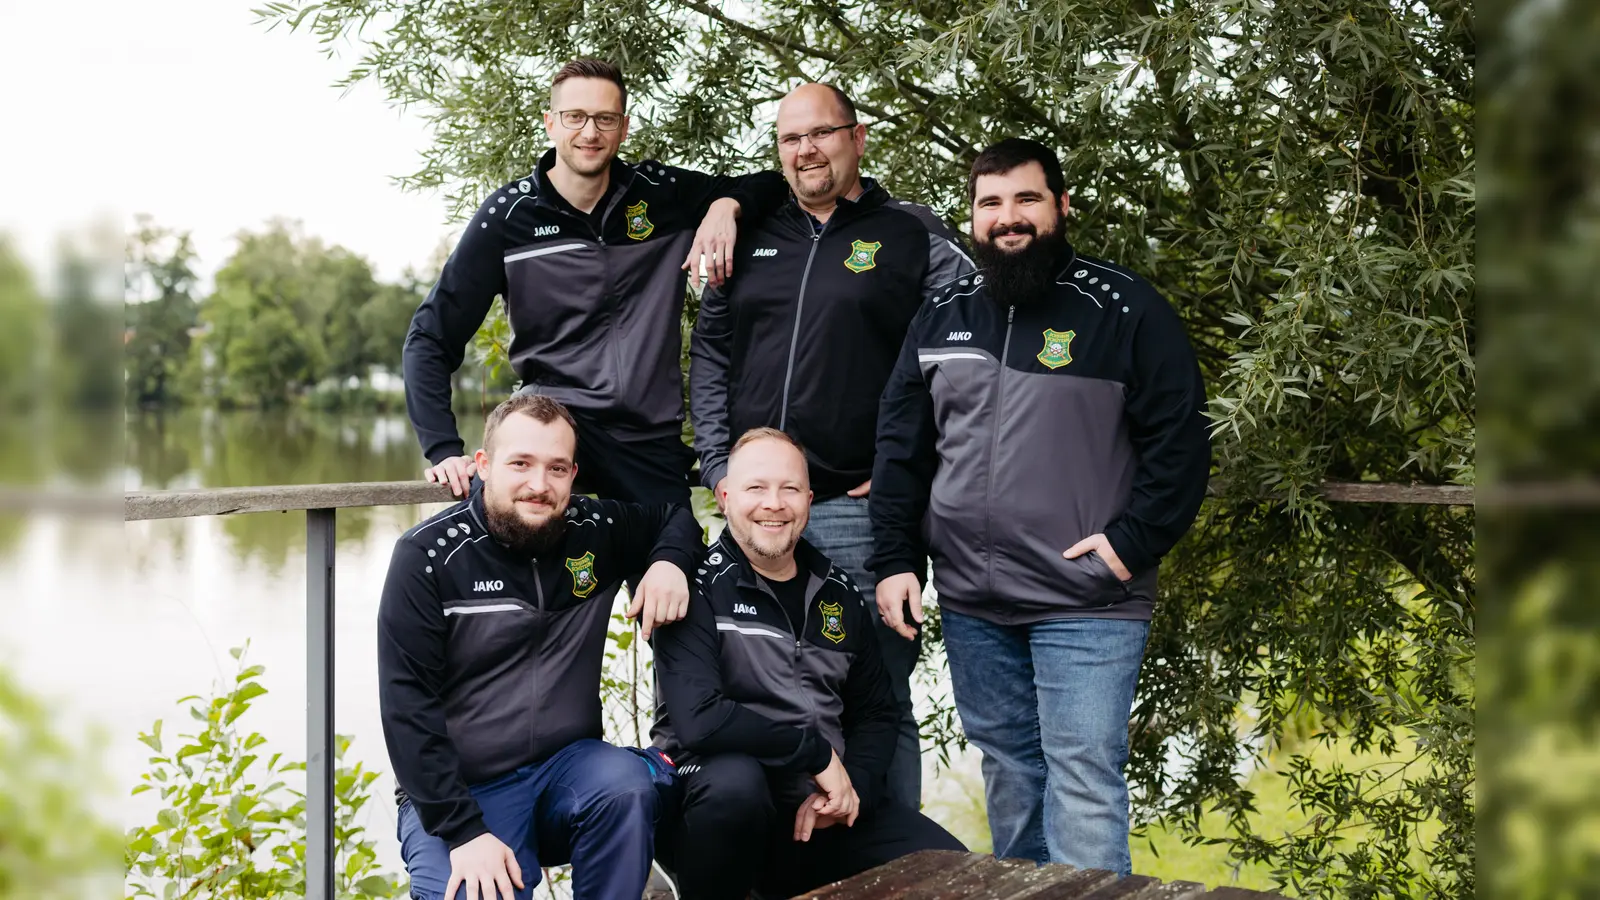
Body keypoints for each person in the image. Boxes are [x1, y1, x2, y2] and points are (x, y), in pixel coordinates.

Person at [869, 138, 1211, 873]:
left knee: (1083, 779)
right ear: (972, 217)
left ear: (1062, 205)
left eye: (1026, 198)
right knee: (1012, 774)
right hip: (973, 601)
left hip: (1086, 600)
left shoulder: (1124, 308)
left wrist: (1129, 543)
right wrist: (896, 559)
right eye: (990, 203)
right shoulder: (941, 314)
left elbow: (1181, 441)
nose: (1008, 217)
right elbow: (901, 448)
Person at [688, 83, 973, 808]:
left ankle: (896, 857)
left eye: (821, 133)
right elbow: (711, 352)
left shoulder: (912, 234)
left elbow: (970, 356)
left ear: (858, 137)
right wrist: (719, 465)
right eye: (791, 139)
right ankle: (788, 851)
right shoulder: (750, 232)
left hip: (858, 512)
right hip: (756, 509)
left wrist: (914, 462)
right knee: (753, 692)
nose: (806, 150)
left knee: (878, 703)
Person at [405, 58, 787, 505]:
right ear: (550, 123)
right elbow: (431, 336)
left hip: (648, 443)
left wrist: (725, 206)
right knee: (519, 539)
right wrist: (443, 448)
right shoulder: (510, 216)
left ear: (624, 128)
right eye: (575, 117)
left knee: (677, 548)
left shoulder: (660, 195)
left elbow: (772, 186)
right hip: (554, 434)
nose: (590, 132)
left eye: (605, 119)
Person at [378, 394, 704, 899]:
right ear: (483, 465)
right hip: (464, 794)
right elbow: (406, 708)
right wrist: (463, 832)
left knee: (627, 788)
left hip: (568, 771)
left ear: (574, 474)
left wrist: (669, 563)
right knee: (470, 892)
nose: (539, 484)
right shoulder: (428, 556)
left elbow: (675, 519)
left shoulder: (594, 530)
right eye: (521, 464)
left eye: (556, 468)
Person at [650, 428, 965, 900]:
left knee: (953, 871)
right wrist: (816, 754)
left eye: (790, 488)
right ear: (725, 497)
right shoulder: (692, 587)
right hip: (715, 806)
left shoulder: (839, 593)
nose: (774, 504)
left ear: (809, 500)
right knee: (737, 786)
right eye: (757, 487)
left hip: (814, 810)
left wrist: (850, 790)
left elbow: (877, 713)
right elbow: (701, 721)